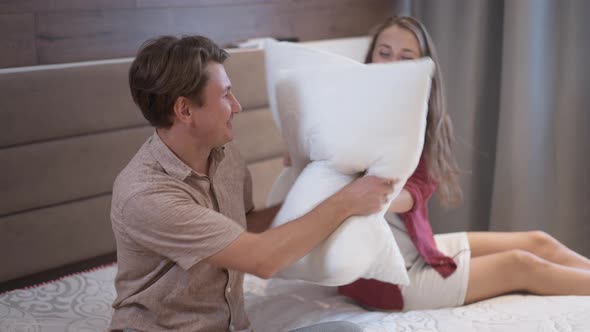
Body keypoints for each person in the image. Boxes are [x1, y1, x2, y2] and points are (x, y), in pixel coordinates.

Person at [108, 35, 397, 332]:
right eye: (225, 95)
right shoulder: (147, 195)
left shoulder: (224, 153)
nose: (237, 106)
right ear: (185, 110)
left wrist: (317, 189)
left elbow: (243, 225)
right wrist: (346, 201)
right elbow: (262, 259)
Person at [337, 16, 590, 311]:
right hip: (389, 281)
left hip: (415, 248)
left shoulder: (422, 122)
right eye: (384, 53)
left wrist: (375, 194)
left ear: (423, 69)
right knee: (521, 265)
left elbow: (412, 195)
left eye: (406, 57)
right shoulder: (349, 116)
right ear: (370, 58)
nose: (392, 63)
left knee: (538, 241)